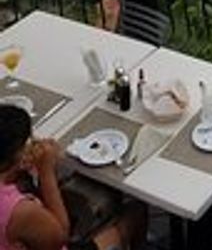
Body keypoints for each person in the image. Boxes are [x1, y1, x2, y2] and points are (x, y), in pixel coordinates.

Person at [0, 105, 145, 250]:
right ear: (17, 154)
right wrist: (46, 171)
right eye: (29, 141)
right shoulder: (18, 210)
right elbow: (60, 238)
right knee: (136, 211)